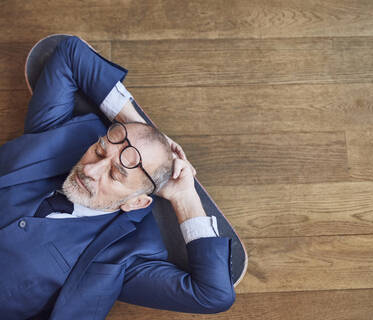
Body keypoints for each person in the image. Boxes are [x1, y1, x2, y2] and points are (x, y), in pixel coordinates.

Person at [0, 35, 235, 319]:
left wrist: (185, 197)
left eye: (114, 174)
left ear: (136, 202)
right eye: (99, 151)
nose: (88, 170)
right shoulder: (59, 135)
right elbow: (70, 52)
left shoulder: (126, 256)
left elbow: (213, 295)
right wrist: (136, 125)